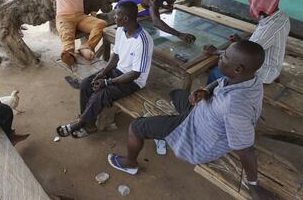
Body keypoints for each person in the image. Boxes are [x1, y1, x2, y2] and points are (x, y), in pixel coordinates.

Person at [108, 40, 277, 199]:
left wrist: (253, 184)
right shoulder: (249, 79)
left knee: (136, 128)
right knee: (177, 94)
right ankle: (168, 127)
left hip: (197, 135)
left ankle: (130, 163)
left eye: (225, 56)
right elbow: (221, 82)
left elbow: (246, 150)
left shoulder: (235, 107)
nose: (220, 56)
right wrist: (206, 91)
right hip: (201, 114)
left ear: (238, 68)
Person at [56, 2, 153, 138]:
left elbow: (135, 74)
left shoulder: (142, 41)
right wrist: (103, 73)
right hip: (119, 71)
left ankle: (79, 124)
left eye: (117, 14)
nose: (114, 16)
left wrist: (108, 82)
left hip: (133, 81)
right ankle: (89, 125)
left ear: (125, 19)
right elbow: (116, 55)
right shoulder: (121, 30)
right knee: (86, 84)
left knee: (102, 93)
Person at [205, 0, 290, 84]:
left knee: (215, 73)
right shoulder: (281, 16)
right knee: (220, 63)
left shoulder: (269, 28)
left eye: (256, 4)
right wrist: (241, 42)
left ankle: (214, 98)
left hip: (263, 73)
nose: (253, 6)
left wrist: (216, 51)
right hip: (273, 66)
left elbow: (246, 56)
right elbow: (259, 43)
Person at [36, 0, 107, 66]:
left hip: (81, 17)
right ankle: (68, 53)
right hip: (64, 18)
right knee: (67, 35)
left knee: (101, 24)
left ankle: (86, 47)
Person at [100, 0, 196, 44]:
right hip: (120, 13)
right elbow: (156, 22)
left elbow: (152, 1)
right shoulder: (153, 0)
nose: (174, 0)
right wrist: (179, 34)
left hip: (126, 8)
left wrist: (164, 6)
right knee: (102, 23)